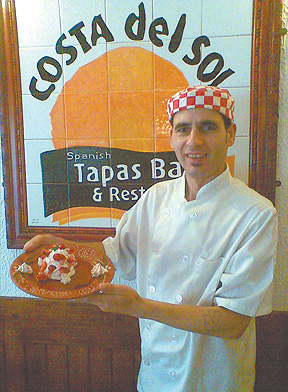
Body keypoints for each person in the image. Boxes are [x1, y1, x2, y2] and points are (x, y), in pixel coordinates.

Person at [24, 85, 278, 392]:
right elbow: (114, 253)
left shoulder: (255, 214)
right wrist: (60, 248)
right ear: (172, 137)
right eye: (183, 128)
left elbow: (233, 322)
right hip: (154, 374)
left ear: (230, 133)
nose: (193, 141)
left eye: (208, 127)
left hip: (214, 378)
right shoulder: (156, 197)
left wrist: (139, 306)